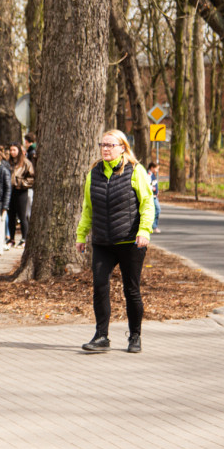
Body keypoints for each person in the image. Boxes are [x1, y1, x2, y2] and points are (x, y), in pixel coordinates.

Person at [76, 129, 155, 354]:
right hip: (103, 241)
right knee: (100, 286)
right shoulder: (94, 173)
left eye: (110, 145)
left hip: (130, 241)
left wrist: (144, 231)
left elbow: (147, 204)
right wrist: (81, 235)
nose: (105, 149)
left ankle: (135, 336)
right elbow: (87, 208)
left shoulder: (135, 170)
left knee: (131, 290)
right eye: (103, 145)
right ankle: (101, 336)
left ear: (123, 148)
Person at [7, 143, 34, 246]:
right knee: (11, 215)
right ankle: (11, 239)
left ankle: (24, 238)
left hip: (21, 191)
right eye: (11, 150)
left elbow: (31, 178)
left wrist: (20, 183)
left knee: (22, 216)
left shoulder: (26, 163)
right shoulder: (8, 162)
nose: (12, 152)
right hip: (11, 191)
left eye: (14, 150)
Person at [148, 161, 161, 233]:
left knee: (155, 210)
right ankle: (153, 226)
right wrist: (152, 188)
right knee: (157, 210)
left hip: (155, 196)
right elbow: (147, 184)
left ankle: (153, 226)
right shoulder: (149, 174)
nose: (157, 170)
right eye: (156, 169)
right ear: (152, 168)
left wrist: (157, 191)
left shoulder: (153, 174)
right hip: (151, 196)